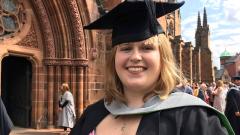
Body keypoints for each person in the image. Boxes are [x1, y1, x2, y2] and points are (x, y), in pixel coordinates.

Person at [70, 0, 234, 135]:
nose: (135, 57)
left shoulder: (195, 119)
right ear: (114, 58)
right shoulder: (92, 116)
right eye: (126, 48)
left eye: (147, 48)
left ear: (163, 57)